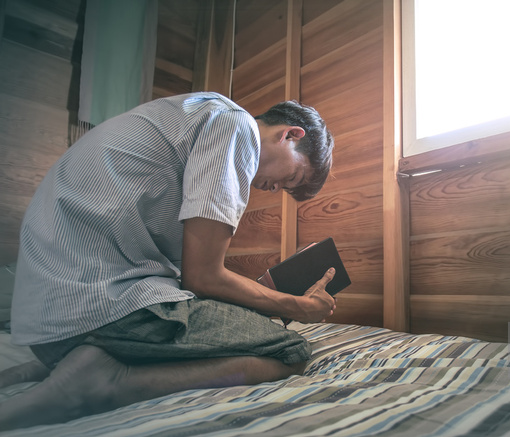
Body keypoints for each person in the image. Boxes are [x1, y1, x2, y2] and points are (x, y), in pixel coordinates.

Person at [0, 92, 337, 430]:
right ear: (291, 134)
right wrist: (297, 307)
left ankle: (51, 367)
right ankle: (106, 382)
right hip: (93, 305)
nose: (275, 187)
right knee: (290, 351)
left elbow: (192, 277)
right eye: (290, 178)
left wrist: (257, 296)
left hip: (49, 322)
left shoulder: (200, 113)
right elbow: (202, 279)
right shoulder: (237, 127)